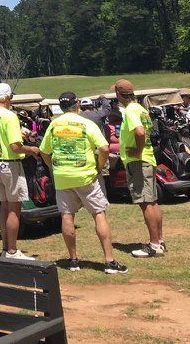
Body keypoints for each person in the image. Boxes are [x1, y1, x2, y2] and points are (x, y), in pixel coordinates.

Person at [40, 93, 128, 274]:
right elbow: (104, 147)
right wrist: (99, 166)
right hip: (86, 175)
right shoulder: (86, 123)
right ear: (77, 104)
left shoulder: (54, 124)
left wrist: (53, 168)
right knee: (98, 213)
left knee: (67, 216)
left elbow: (44, 151)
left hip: (63, 176)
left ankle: (73, 260)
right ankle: (109, 261)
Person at [0, 82, 40, 260]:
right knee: (15, 208)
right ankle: (13, 250)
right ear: (7, 98)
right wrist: (32, 150)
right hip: (10, 164)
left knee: (5, 207)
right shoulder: (9, 116)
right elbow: (16, 147)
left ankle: (6, 248)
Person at [112, 79, 165, 258]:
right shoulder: (141, 108)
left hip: (139, 160)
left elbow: (140, 132)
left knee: (145, 202)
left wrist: (137, 150)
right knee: (152, 201)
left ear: (119, 94)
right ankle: (159, 240)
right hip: (147, 159)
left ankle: (154, 245)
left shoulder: (131, 110)